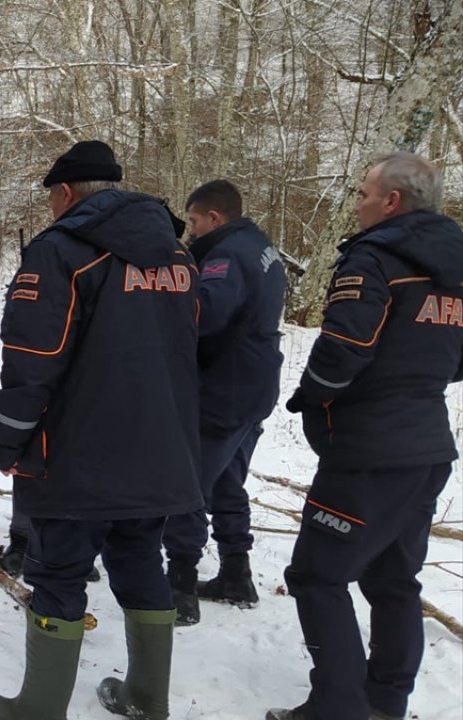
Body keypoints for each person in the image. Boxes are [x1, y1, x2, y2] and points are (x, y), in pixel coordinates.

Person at [0, 140, 202, 720]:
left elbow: (32, 356)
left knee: (58, 569)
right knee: (140, 558)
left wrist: (5, 439)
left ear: (65, 193)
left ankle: (38, 709)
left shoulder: (60, 252)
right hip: (159, 448)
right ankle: (148, 698)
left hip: (77, 452)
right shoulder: (178, 257)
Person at [268, 153, 463, 720]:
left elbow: (345, 348)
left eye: (361, 192)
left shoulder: (373, 259)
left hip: (370, 451)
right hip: (427, 443)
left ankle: (338, 707)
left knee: (316, 575)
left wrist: (313, 397)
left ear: (391, 201)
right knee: (393, 576)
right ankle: (385, 699)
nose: (356, 203)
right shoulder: (453, 265)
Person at [161, 179, 286, 625]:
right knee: (227, 480)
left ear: (214, 217)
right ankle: (236, 571)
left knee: (187, 483)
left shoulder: (226, 256)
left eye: (193, 221)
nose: (190, 230)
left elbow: (208, 314)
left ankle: (179, 586)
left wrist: (165, 310)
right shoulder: (260, 246)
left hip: (224, 388)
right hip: (254, 384)